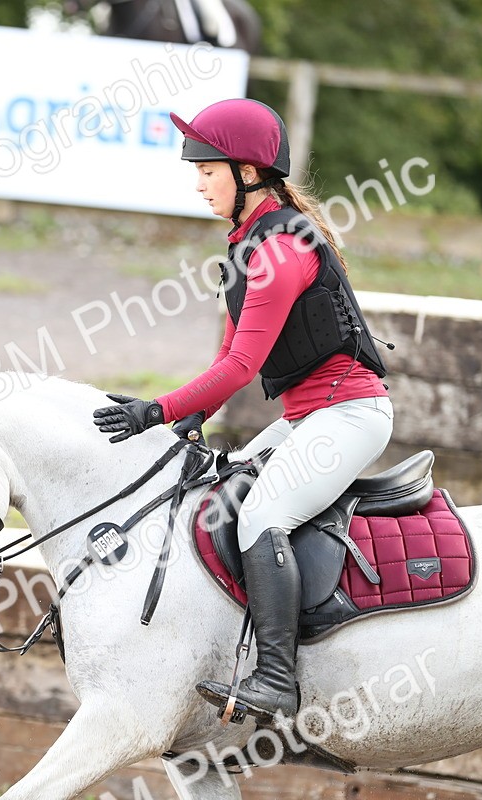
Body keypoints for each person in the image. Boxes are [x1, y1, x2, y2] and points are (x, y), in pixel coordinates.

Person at [91, 98, 393, 722]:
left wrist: (157, 409)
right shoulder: (247, 243)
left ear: (249, 172)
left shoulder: (279, 252)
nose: (197, 181)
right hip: (311, 416)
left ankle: (279, 679)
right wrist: (193, 415)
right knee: (213, 496)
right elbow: (228, 349)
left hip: (349, 416)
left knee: (259, 516)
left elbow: (242, 369)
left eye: (207, 169)